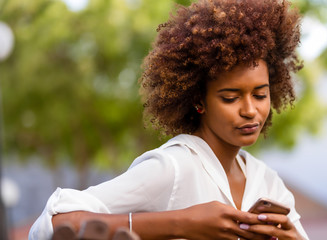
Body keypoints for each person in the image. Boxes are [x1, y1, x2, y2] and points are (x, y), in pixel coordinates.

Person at [29, 0, 309, 239]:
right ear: (199, 99)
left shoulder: (268, 183)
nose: (250, 110)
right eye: (230, 97)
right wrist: (182, 222)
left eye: (260, 94)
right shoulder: (176, 166)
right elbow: (54, 224)